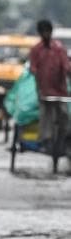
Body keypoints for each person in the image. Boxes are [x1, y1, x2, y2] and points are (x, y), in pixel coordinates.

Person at [28, 19, 71, 155]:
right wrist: (35, 74)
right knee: (45, 116)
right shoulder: (36, 50)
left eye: (48, 31)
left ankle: (65, 139)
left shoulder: (59, 49)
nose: (46, 34)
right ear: (40, 33)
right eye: (43, 32)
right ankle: (46, 141)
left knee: (64, 114)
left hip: (60, 91)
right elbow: (33, 67)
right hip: (43, 90)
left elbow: (66, 66)